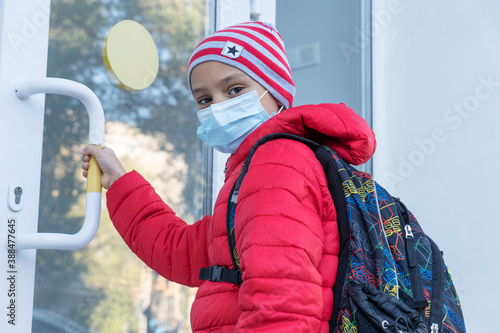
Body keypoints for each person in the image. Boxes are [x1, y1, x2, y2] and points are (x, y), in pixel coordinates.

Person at [81, 21, 376, 332]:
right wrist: (120, 182)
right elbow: (182, 251)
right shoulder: (253, 172)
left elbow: (281, 305)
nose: (218, 107)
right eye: (204, 99)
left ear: (276, 95)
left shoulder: (275, 163)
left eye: (235, 89)